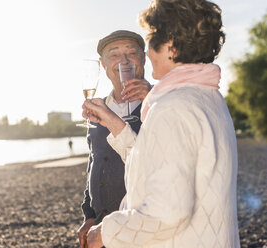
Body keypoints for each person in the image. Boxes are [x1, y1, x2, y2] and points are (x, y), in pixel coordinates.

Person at [83, 0, 240, 247]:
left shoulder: (172, 107)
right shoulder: (206, 96)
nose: (147, 51)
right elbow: (150, 162)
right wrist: (114, 123)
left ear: (170, 46)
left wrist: (106, 232)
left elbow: (166, 214)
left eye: (151, 38)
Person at [77, 30, 151, 248]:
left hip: (140, 232)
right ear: (102, 64)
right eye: (114, 55)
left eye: (131, 53)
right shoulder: (98, 109)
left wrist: (152, 100)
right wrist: (89, 215)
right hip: (100, 233)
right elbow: (94, 162)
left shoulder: (160, 104)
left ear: (144, 59)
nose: (124, 61)